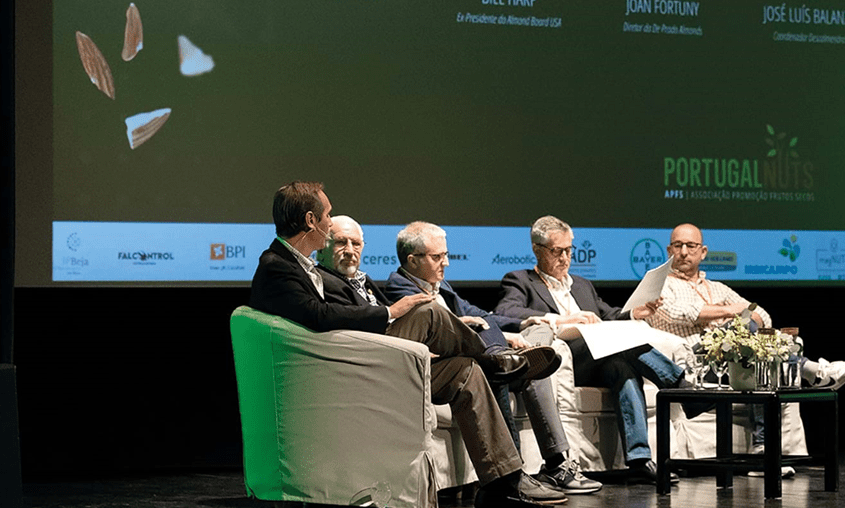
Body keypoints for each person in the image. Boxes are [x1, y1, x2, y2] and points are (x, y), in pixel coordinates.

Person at [248, 183, 564, 507]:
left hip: (378, 354)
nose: (330, 226)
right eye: (328, 216)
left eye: (355, 241)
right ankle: (497, 361)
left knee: (464, 371)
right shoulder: (277, 265)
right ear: (311, 220)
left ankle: (503, 480)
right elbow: (318, 315)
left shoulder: (303, 265)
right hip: (353, 363)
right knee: (427, 310)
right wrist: (389, 312)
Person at [380, 221, 602, 495]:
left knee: (533, 371)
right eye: (438, 257)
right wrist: (469, 326)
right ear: (412, 261)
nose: (446, 263)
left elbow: (483, 315)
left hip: (477, 354)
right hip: (439, 368)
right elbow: (440, 327)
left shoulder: (441, 287)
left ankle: (556, 464)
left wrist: (516, 330)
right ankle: (514, 473)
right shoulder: (399, 290)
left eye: (446, 255)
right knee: (496, 371)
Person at [495, 215, 704, 483]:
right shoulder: (520, 280)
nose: (565, 258)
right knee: (619, 345)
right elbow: (504, 312)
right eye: (557, 251)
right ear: (537, 250)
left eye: (569, 250)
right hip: (567, 362)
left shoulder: (581, 285)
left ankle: (639, 460)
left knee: (623, 369)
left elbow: (609, 314)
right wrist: (561, 319)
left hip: (601, 359)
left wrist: (634, 313)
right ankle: (681, 386)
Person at [647, 223, 845, 391]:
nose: (684, 252)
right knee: (740, 330)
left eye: (691, 246)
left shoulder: (718, 288)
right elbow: (676, 314)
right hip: (697, 361)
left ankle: (761, 442)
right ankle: (813, 371)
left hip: (731, 358)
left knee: (748, 337)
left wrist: (739, 321)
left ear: (703, 252)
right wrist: (730, 313)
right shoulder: (660, 284)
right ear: (669, 250)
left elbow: (762, 316)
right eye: (678, 245)